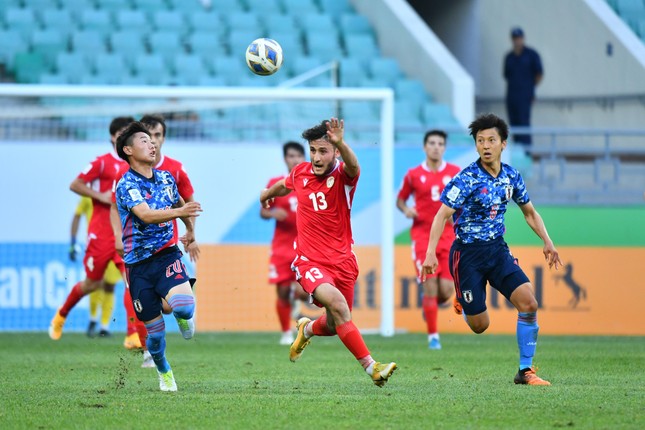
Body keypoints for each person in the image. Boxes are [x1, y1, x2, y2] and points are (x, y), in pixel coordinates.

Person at [421, 113, 562, 386]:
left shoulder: (511, 176)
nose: (486, 145)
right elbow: (441, 216)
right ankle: (462, 295)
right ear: (475, 145)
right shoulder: (466, 179)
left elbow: (529, 213)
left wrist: (548, 241)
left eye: (491, 140)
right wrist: (430, 254)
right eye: (480, 140)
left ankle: (525, 370)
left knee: (529, 303)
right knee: (479, 326)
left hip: (497, 251)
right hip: (468, 255)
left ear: (503, 144)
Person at [260, 118, 397, 387]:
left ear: (335, 152)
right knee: (338, 305)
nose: (316, 157)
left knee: (335, 324)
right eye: (313, 150)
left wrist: (341, 143)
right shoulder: (300, 173)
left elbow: (354, 165)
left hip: (343, 262)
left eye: (323, 151)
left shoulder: (344, 178)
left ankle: (307, 328)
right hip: (309, 260)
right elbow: (285, 185)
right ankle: (372, 367)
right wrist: (267, 193)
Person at [114, 121, 202, 392]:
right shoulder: (126, 184)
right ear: (128, 149)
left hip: (167, 255)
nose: (151, 144)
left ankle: (183, 315)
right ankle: (164, 371)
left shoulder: (166, 178)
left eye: (153, 140)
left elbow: (180, 204)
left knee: (185, 306)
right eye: (144, 140)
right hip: (138, 267)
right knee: (154, 336)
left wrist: (189, 232)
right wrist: (181, 214)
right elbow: (147, 215)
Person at [49, 116, 137, 344]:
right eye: (122, 133)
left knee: (132, 282)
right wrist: (102, 197)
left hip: (125, 233)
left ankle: (132, 334)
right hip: (101, 233)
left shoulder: (136, 165)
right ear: (113, 137)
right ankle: (62, 314)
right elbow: (75, 184)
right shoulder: (102, 162)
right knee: (92, 284)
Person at [396, 130, 461, 350]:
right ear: (425, 147)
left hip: (448, 235)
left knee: (445, 291)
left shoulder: (454, 173)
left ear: (444, 148)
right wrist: (406, 210)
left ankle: (431, 306)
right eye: (432, 143)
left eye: (440, 143)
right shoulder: (414, 174)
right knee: (430, 286)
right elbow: (400, 200)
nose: (436, 147)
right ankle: (433, 337)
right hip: (423, 236)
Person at [260, 141, 310, 345]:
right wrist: (272, 212)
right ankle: (286, 333)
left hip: (307, 245)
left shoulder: (311, 182)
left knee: (305, 291)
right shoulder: (276, 182)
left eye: (298, 156)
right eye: (291, 156)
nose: (295, 160)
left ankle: (296, 299)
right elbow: (263, 211)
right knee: (281, 290)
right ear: (285, 159)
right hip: (282, 245)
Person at [69, 196, 122, 338]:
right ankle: (93, 318)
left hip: (114, 244)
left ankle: (104, 326)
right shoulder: (88, 194)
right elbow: (77, 215)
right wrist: (73, 242)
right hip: (95, 246)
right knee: (95, 283)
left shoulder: (116, 193)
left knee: (110, 285)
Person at [503, 27, 543, 151]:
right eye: (515, 38)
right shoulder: (509, 57)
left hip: (525, 96)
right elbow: (506, 75)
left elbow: (539, 73)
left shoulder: (531, 55)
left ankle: (526, 153)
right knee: (514, 125)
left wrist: (530, 88)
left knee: (524, 124)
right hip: (512, 96)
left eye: (519, 38)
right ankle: (518, 152)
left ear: (523, 38)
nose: (517, 41)